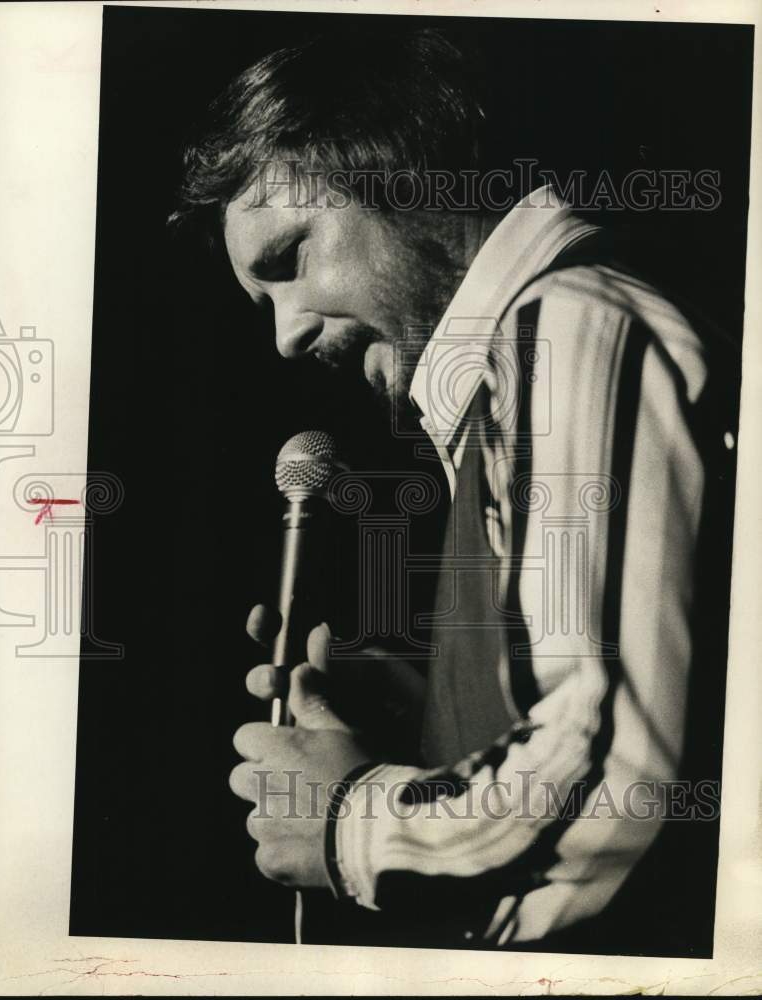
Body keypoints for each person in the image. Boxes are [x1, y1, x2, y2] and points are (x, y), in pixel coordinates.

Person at [173, 28, 738, 952]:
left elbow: (615, 783)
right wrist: (432, 727)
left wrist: (351, 821)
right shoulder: (522, 365)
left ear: (399, 177)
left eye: (289, 259)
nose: (285, 335)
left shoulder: (566, 326)